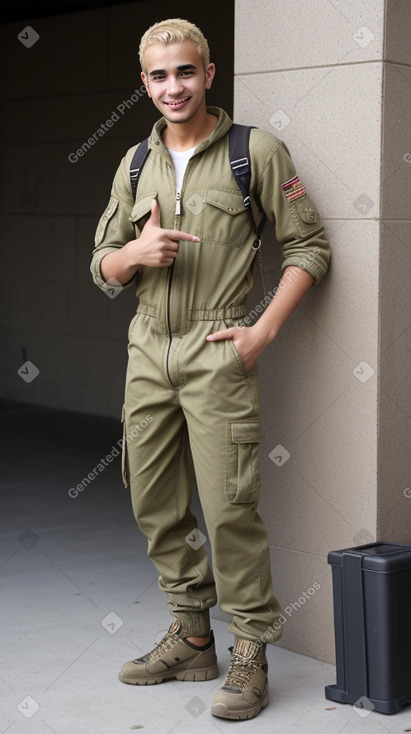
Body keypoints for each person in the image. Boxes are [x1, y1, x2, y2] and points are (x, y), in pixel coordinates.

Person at [91, 18, 330, 721]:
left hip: (216, 348)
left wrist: (262, 330)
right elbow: (101, 265)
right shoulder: (134, 162)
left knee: (229, 510)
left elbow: (309, 247)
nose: (174, 86)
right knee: (154, 503)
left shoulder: (251, 151)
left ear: (209, 74)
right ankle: (192, 635)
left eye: (185, 72)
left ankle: (250, 651)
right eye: (159, 76)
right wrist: (135, 255)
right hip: (147, 349)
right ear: (144, 84)